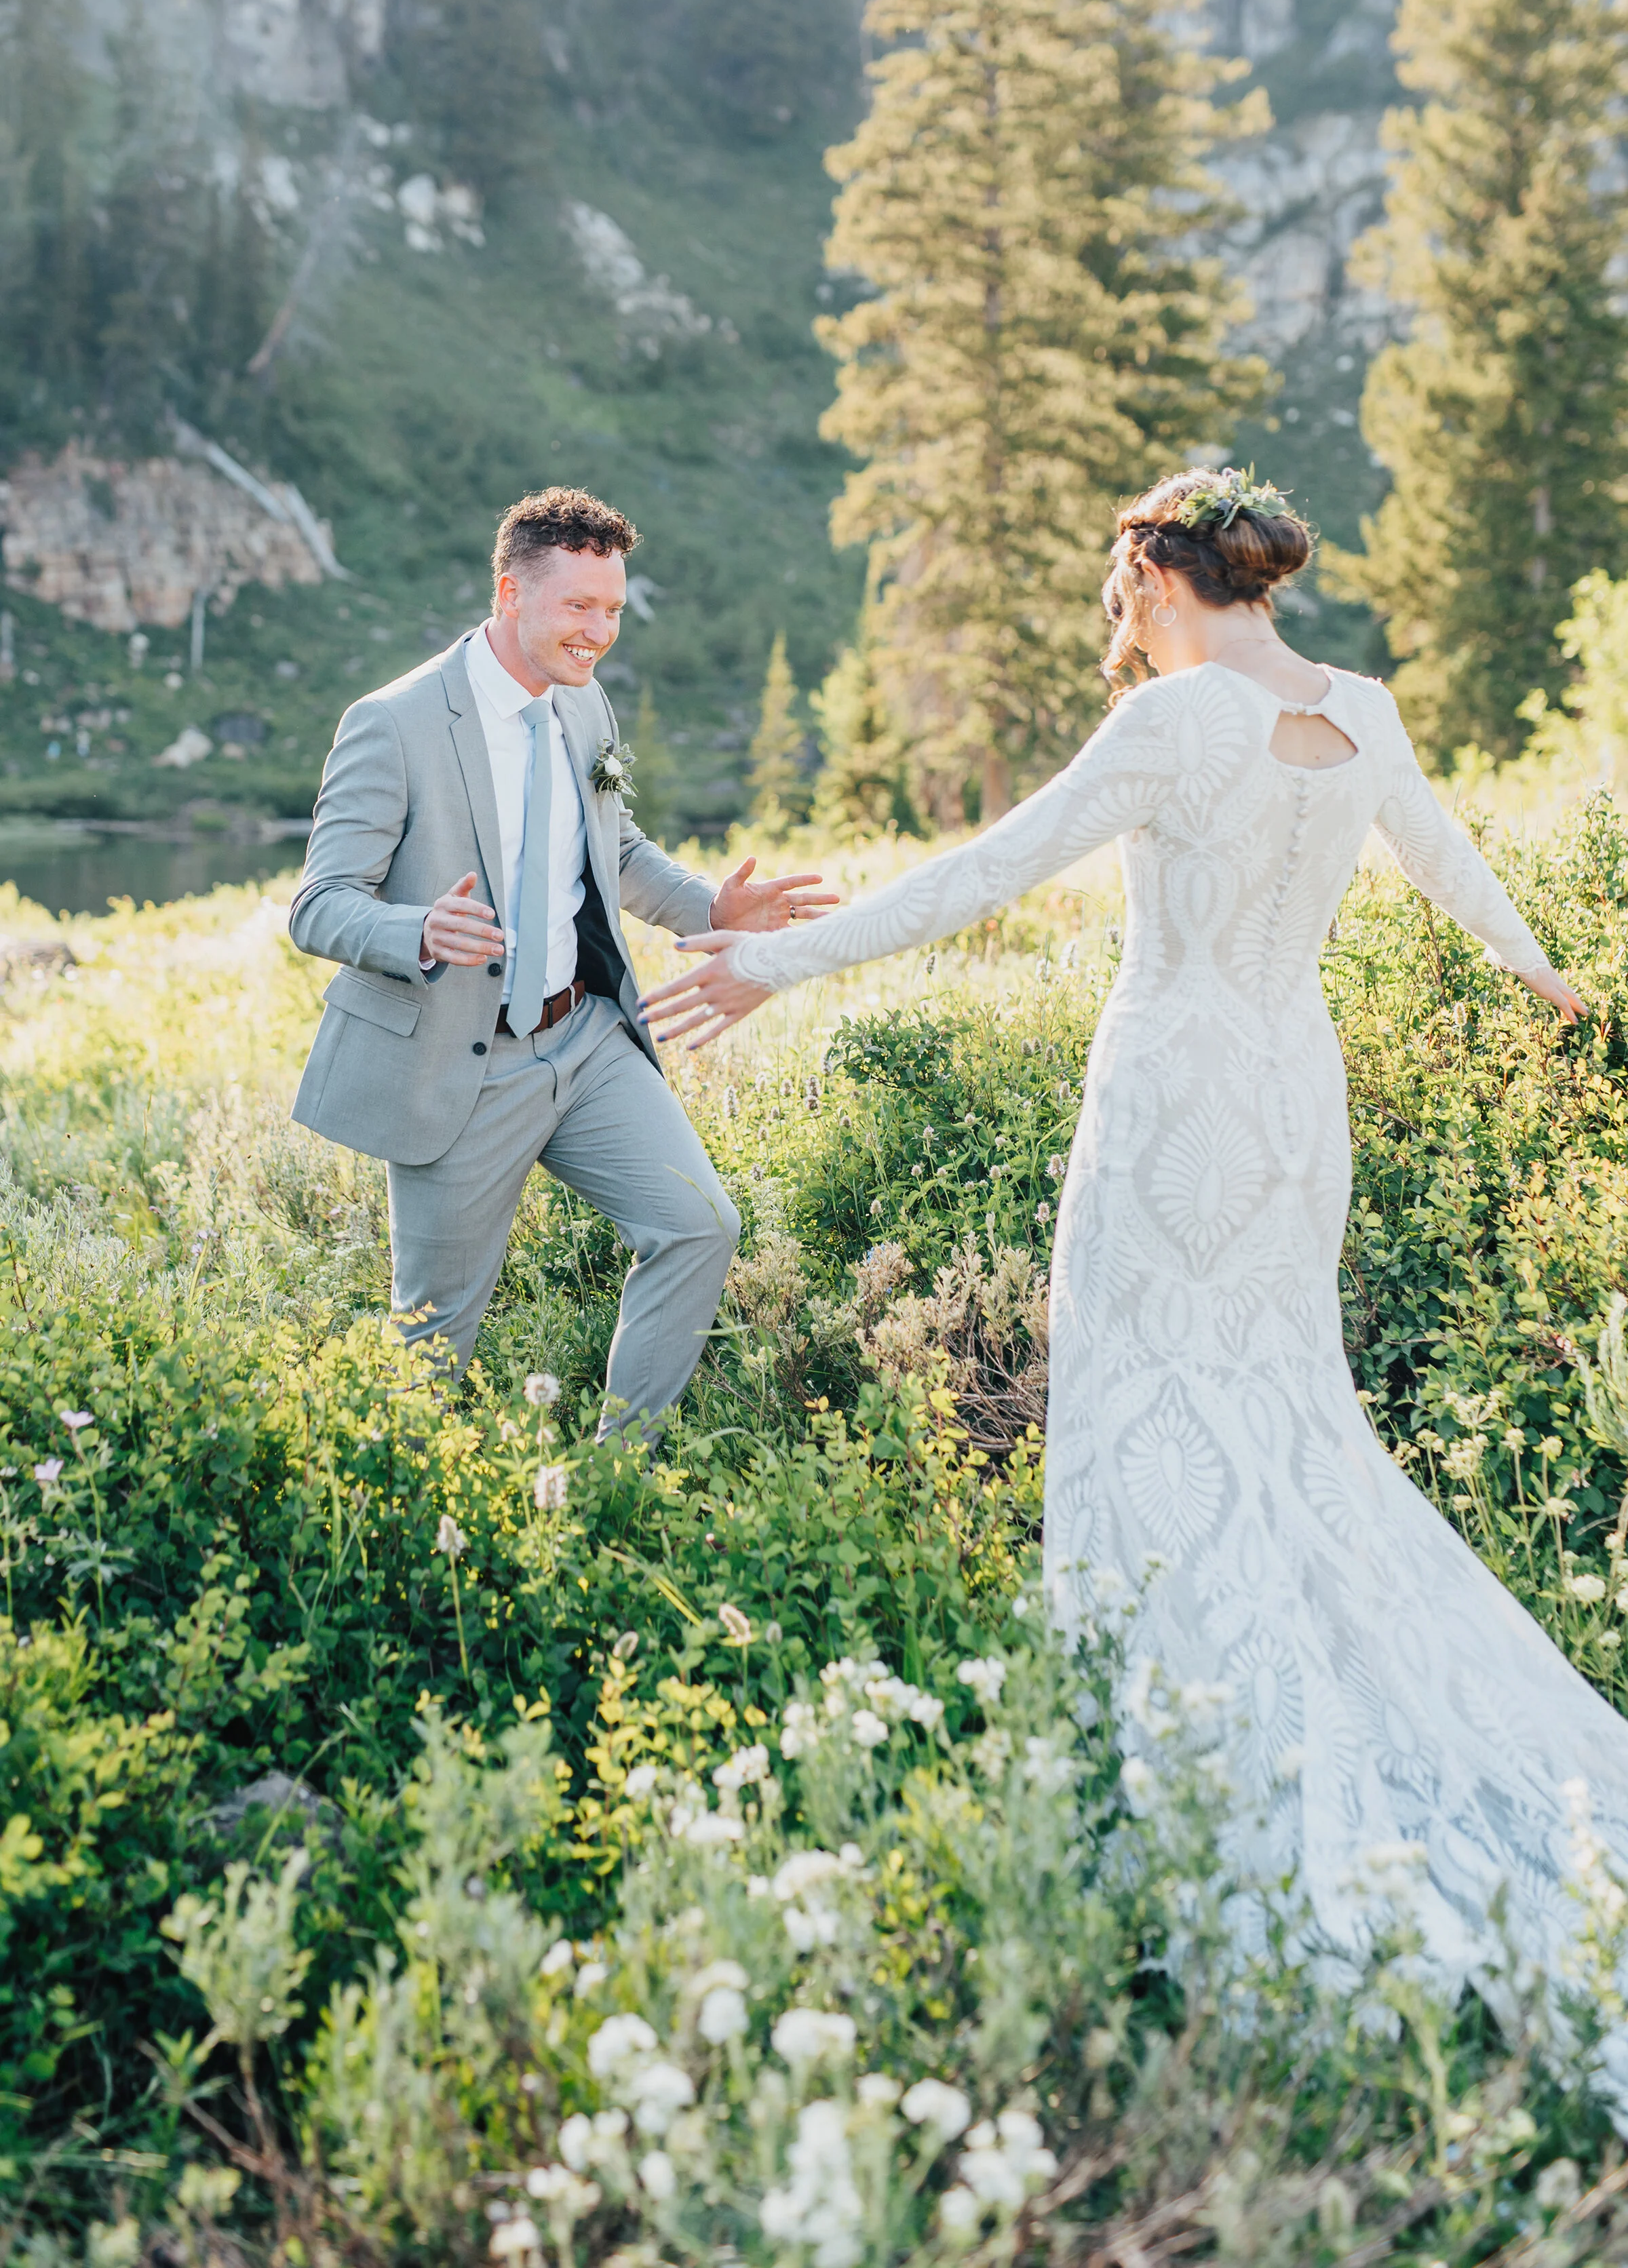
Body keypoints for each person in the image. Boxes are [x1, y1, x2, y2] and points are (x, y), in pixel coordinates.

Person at [644, 466, 1628, 2074]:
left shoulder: (1174, 723)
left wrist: (771, 963)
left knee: (1148, 1395)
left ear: (1161, 583)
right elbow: (1452, 868)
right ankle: (1315, 1695)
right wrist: (1538, 971)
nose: (1124, 632)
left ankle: (1184, 1747)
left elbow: (981, 876)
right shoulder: (1359, 706)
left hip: (1175, 1088)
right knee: (1284, 1408)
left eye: (1126, 605)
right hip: (1296, 1103)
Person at [288, 485, 835, 1432]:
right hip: (460, 1068)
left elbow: (615, 850)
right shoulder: (396, 723)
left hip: (584, 1041)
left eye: (613, 609)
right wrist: (415, 931)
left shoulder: (586, 710)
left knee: (700, 1224)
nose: (600, 633)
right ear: (510, 592)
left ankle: (615, 1477)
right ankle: (395, 1531)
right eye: (579, 606)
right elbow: (319, 904)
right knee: (431, 1342)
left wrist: (711, 903)